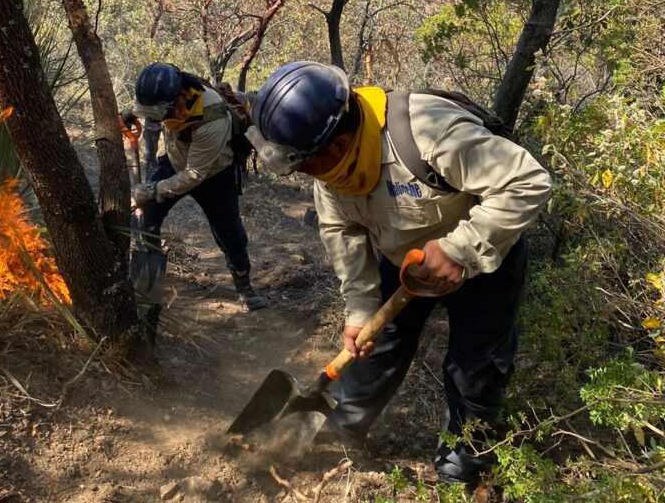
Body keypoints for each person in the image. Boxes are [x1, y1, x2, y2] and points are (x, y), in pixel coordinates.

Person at [246, 61, 552, 484]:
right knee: (377, 343)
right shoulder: (329, 165)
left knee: (474, 366)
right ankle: (343, 427)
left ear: (335, 145)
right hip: (405, 264)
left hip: (483, 261)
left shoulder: (428, 132)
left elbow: (527, 180)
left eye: (301, 163)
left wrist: (458, 250)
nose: (299, 173)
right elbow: (342, 230)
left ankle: (464, 463)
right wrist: (358, 309)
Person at [130, 62, 265, 311]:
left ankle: (244, 286)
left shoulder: (212, 118)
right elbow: (151, 108)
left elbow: (194, 176)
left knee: (230, 234)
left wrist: (151, 190)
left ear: (181, 97)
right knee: (145, 218)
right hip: (174, 160)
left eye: (161, 114)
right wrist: (132, 114)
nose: (159, 119)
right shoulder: (168, 93)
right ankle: (146, 290)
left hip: (213, 173)